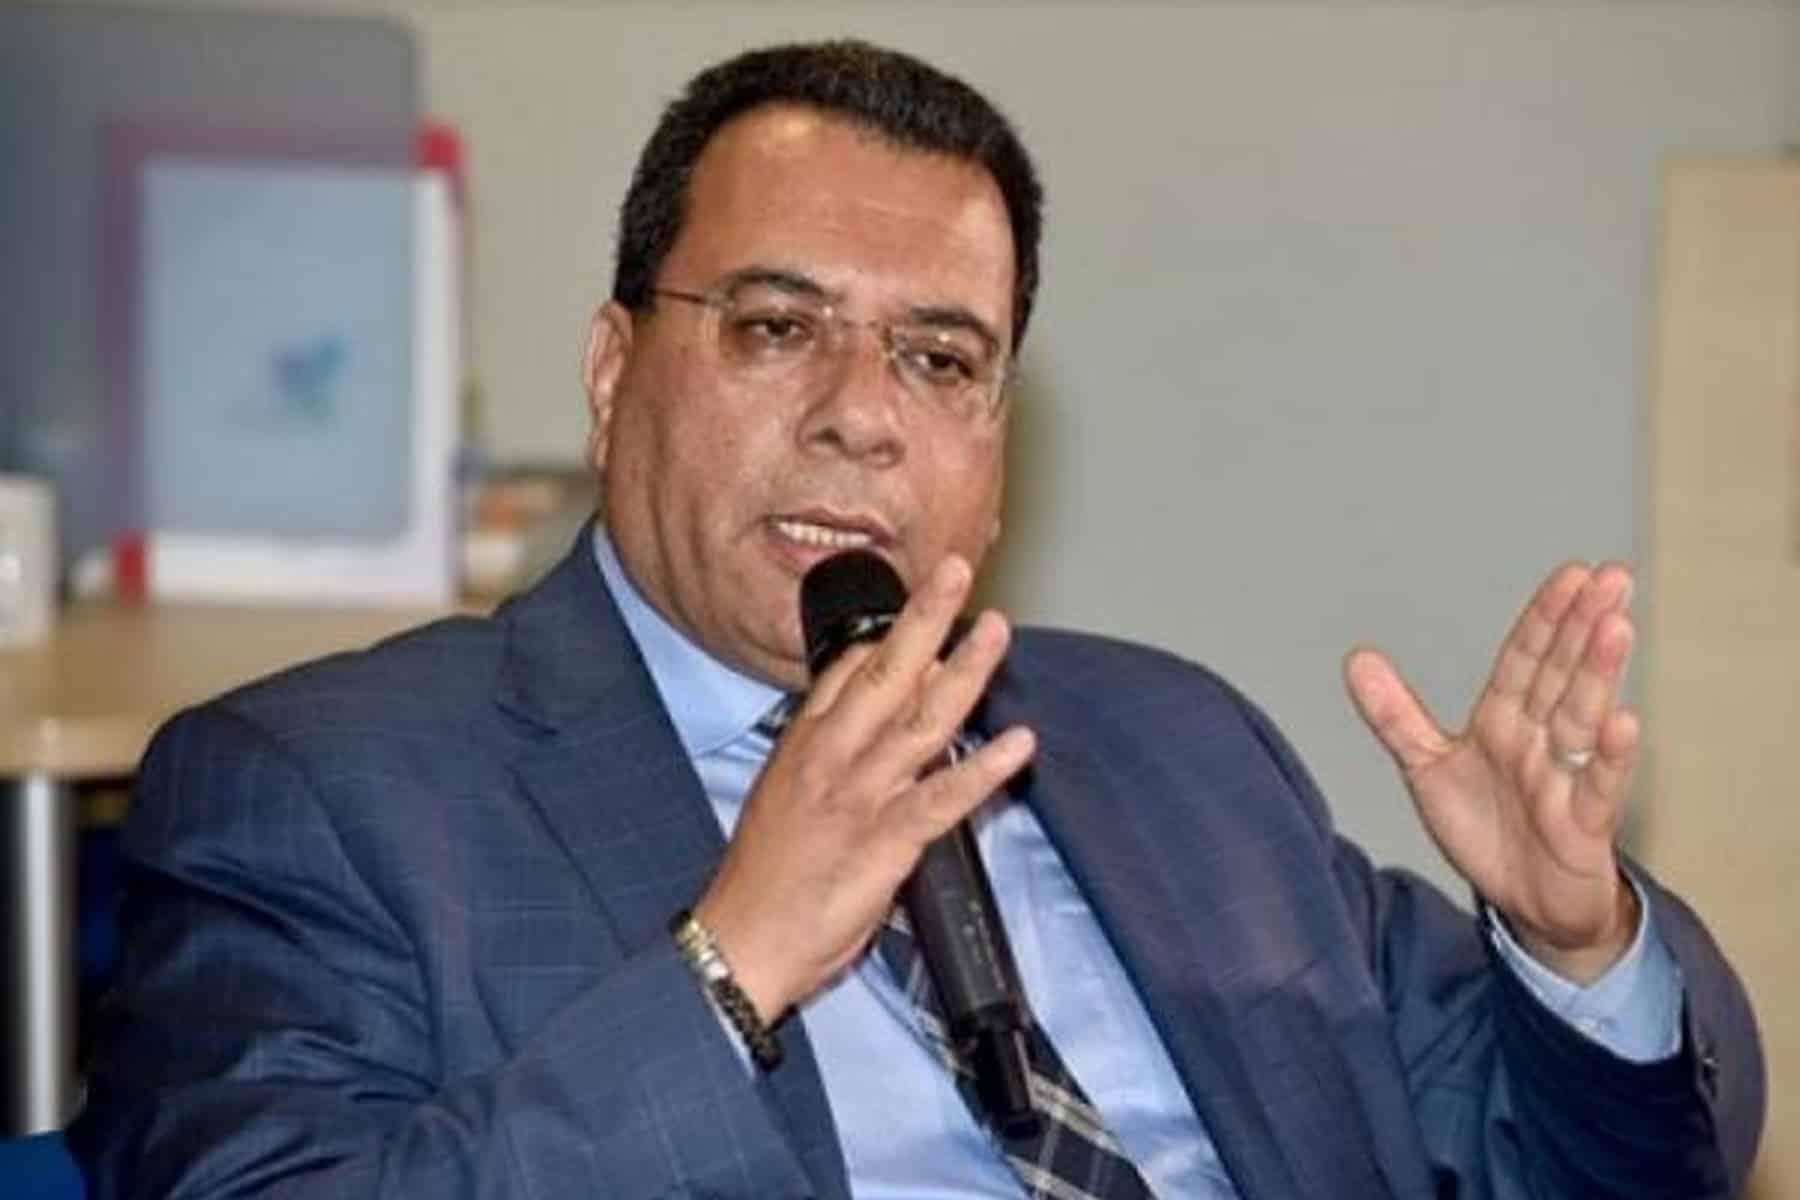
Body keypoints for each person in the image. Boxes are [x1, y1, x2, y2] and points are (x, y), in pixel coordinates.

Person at [70, 40, 1763, 1200]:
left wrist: (1575, 944)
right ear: (611, 373)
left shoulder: (1172, 743)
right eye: (775, 329)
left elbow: (1622, 1164)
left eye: (941, 359)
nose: (861, 418)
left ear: (997, 449)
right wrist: (732, 968)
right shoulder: (315, 789)